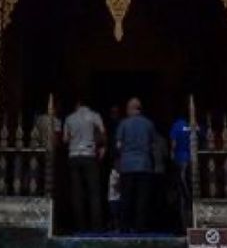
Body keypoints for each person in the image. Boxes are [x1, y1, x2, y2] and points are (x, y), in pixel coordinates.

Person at [62, 97, 106, 232]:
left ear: (78, 104)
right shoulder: (94, 116)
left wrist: (74, 139)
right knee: (94, 192)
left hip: (74, 155)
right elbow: (102, 133)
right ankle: (96, 226)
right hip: (89, 155)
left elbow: (65, 139)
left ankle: (79, 225)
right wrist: (100, 146)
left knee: (76, 192)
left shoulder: (69, 118)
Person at [115, 97, 157, 233]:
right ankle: (141, 226)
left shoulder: (124, 123)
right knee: (142, 198)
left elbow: (118, 145)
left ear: (130, 109)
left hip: (127, 165)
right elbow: (153, 144)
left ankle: (125, 226)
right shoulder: (149, 124)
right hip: (144, 164)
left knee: (126, 197)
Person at [169, 115, 195, 227]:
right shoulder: (194, 125)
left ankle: (185, 222)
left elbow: (174, 143)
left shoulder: (177, 125)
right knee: (192, 189)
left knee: (182, 191)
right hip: (193, 160)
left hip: (180, 160)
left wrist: (172, 154)